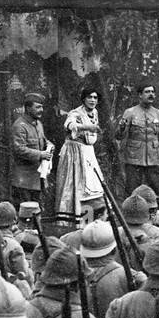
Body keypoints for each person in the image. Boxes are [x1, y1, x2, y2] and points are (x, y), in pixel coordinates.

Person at [116, 84, 159, 199]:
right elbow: (119, 136)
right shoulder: (130, 112)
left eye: (153, 92)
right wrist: (122, 127)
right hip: (134, 158)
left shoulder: (158, 113)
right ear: (140, 95)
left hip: (153, 158)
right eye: (147, 92)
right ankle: (131, 215)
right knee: (132, 191)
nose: (151, 94)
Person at [58, 87, 108, 221]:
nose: (92, 100)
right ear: (83, 99)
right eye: (89, 97)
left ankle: (92, 218)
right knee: (77, 184)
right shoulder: (75, 113)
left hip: (88, 151)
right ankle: (75, 218)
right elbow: (69, 124)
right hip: (75, 152)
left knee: (94, 184)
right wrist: (87, 127)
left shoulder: (94, 112)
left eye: (95, 98)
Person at [11, 92, 54, 207]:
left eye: (42, 107)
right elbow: (19, 149)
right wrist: (41, 154)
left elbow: (42, 140)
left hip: (37, 179)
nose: (41, 110)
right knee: (26, 213)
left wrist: (49, 144)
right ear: (28, 108)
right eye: (38, 107)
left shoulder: (38, 124)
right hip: (24, 181)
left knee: (37, 211)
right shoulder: (20, 126)